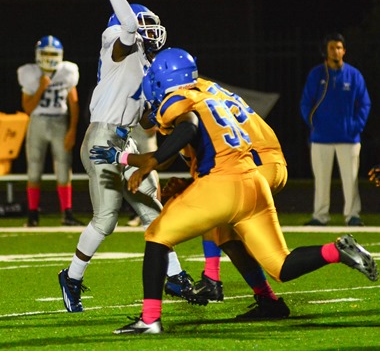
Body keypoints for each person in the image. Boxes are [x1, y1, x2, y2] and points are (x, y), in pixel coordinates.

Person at [90, 47, 378, 335]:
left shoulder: (179, 99)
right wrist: (134, 161)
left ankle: (151, 318)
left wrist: (144, 161)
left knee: (157, 235)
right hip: (252, 181)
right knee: (278, 263)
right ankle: (336, 251)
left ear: (162, 79)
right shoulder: (207, 93)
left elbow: (187, 128)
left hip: (229, 181)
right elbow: (208, 147)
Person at [58, 0, 194, 313]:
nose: (146, 27)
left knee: (154, 209)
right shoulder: (119, 46)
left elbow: (147, 119)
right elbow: (129, 28)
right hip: (101, 137)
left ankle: (176, 277)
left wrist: (164, 115)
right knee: (106, 219)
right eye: (139, 20)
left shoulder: (148, 64)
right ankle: (71, 276)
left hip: (125, 139)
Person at [162, 76, 290, 320]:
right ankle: (267, 300)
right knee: (224, 231)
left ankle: (212, 279)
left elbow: (208, 173)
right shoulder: (205, 89)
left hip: (254, 164)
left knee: (211, 207)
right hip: (267, 160)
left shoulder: (186, 105)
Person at [300, 33, 371, 226]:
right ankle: (320, 216)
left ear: (344, 51)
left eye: (339, 47)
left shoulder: (354, 75)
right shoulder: (317, 74)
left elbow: (364, 104)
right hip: (321, 137)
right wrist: (314, 124)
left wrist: (355, 127)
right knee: (321, 180)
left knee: (351, 180)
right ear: (326, 51)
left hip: (348, 138)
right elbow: (306, 103)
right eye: (332, 48)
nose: (336, 51)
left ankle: (352, 215)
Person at [17, 36, 82, 227]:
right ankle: (32, 214)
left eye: (52, 54)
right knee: (34, 169)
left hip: (60, 122)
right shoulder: (30, 73)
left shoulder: (67, 71)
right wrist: (41, 88)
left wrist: (72, 129)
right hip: (38, 121)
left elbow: (74, 103)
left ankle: (67, 213)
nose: (48, 58)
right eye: (45, 53)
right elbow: (27, 108)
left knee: (63, 168)